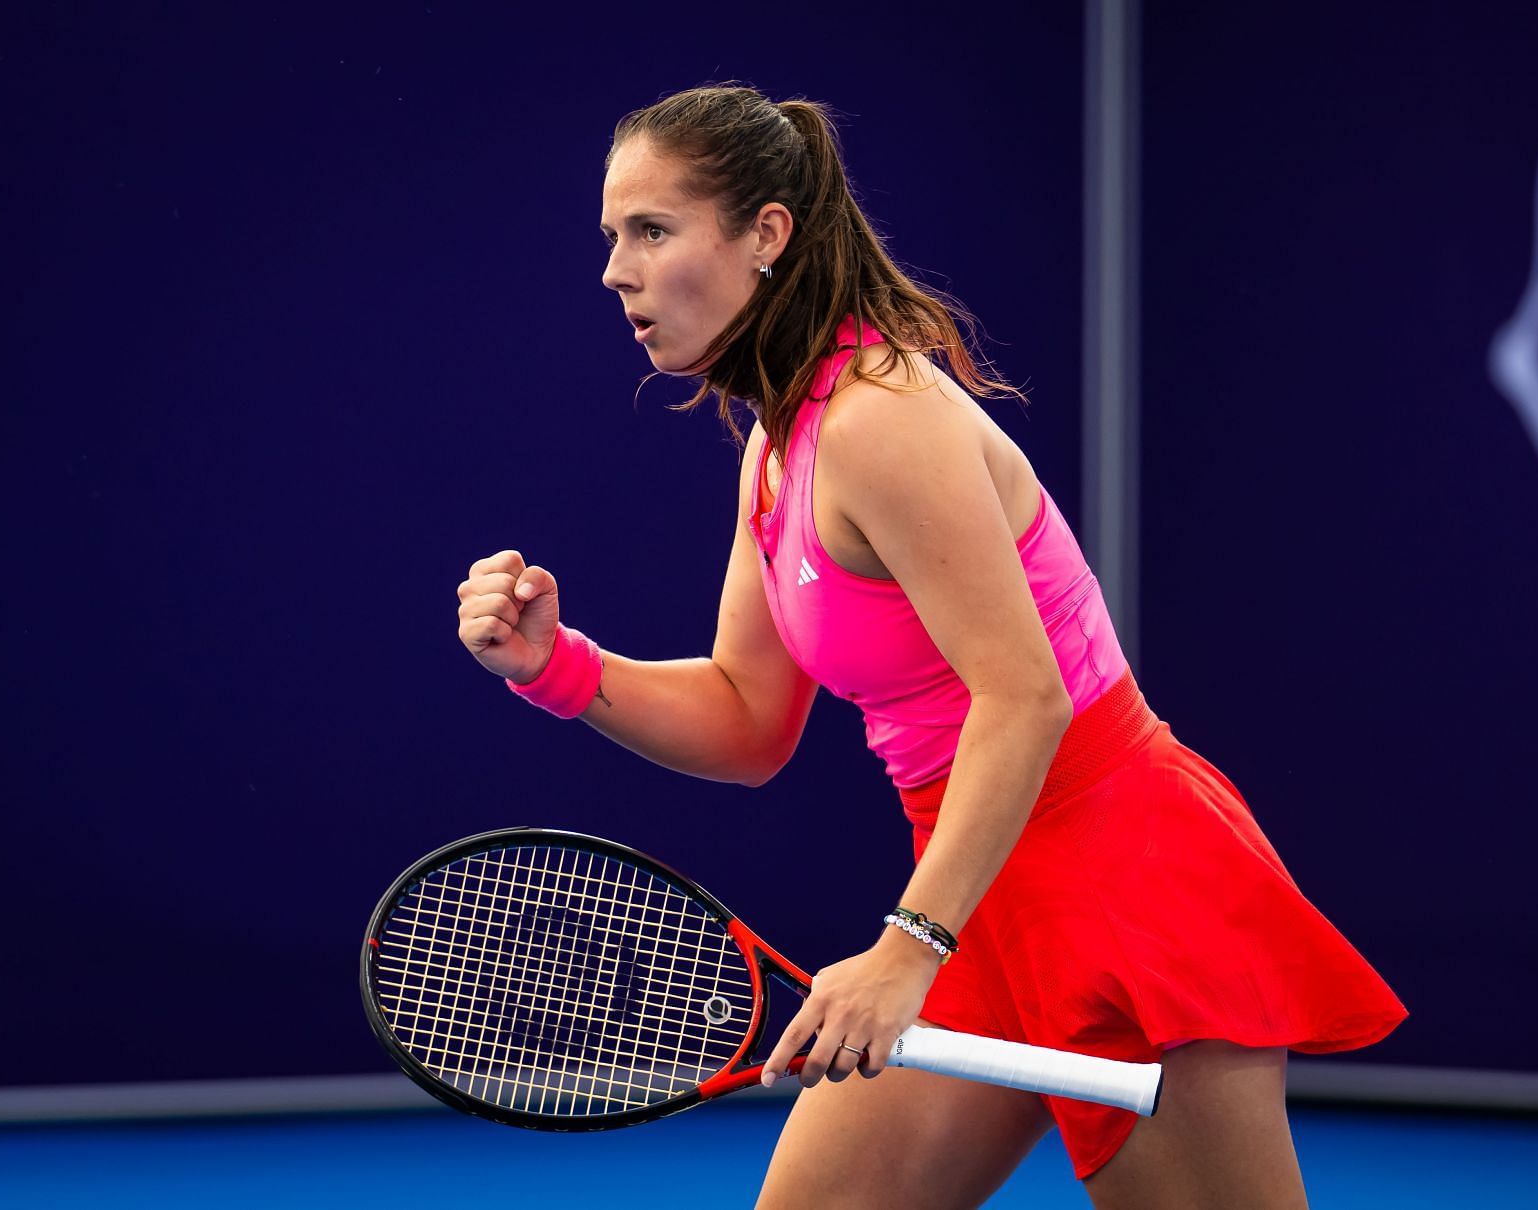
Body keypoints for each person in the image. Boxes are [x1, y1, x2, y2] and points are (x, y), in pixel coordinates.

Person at [455, 84, 1405, 1209]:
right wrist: (558, 667)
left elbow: (1026, 699)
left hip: (1117, 884)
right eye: (613, 237)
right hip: (973, 895)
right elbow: (748, 718)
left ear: (766, 236)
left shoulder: (878, 419)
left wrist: (909, 945)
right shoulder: (780, 439)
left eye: (651, 231)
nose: (616, 269)